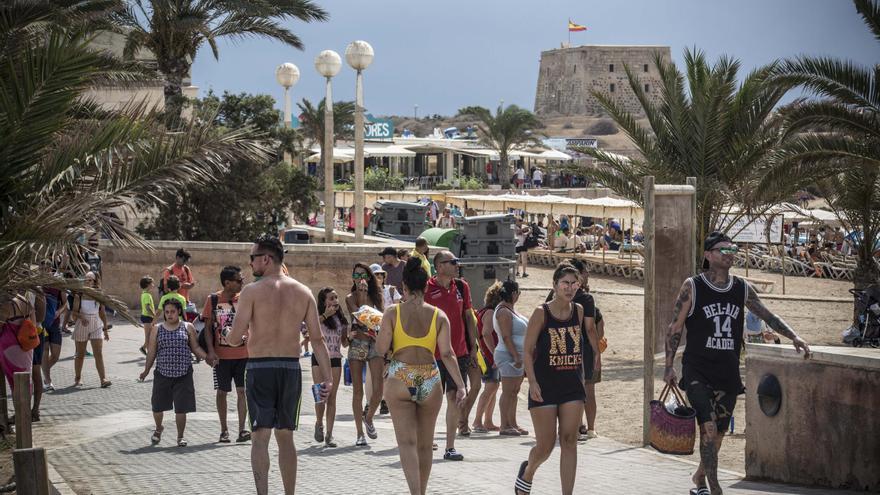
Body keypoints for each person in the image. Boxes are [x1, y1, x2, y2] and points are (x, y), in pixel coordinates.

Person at [664, 232, 811, 495]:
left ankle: (700, 477)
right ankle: (715, 487)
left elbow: (768, 314)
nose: (730, 252)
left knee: (719, 433)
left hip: (728, 371)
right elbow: (675, 328)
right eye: (723, 249)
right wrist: (668, 366)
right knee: (707, 428)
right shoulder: (693, 286)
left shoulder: (740, 288)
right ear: (708, 255)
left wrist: (794, 336)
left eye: (732, 248)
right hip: (697, 369)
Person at [226, 234, 333, 495]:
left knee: (260, 437)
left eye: (253, 258)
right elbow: (318, 341)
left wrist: (228, 336)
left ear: (266, 259)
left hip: (260, 368)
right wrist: (327, 378)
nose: (250, 264)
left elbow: (234, 337)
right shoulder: (303, 291)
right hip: (289, 368)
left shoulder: (250, 292)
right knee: (286, 437)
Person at [376, 257, 466, 495]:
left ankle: (414, 492)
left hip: (400, 376)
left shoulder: (392, 313)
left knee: (406, 443)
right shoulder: (439, 316)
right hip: (429, 377)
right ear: (427, 286)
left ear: (403, 287)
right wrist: (460, 385)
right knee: (426, 445)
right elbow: (447, 353)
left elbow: (380, 349)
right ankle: (422, 492)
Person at [515, 264, 586, 495]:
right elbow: (527, 350)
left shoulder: (579, 311)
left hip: (572, 386)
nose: (570, 287)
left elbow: (580, 349)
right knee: (545, 446)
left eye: (574, 283)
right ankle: (528, 471)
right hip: (544, 386)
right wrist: (532, 381)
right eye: (565, 283)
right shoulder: (541, 313)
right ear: (554, 285)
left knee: (569, 440)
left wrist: (582, 381)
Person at [424, 250, 479, 461]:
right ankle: (427, 439)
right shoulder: (427, 288)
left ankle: (450, 446)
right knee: (431, 400)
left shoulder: (462, 286)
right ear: (439, 266)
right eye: (452, 262)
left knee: (455, 398)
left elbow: (468, 317)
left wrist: (473, 347)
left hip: (459, 353)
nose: (457, 264)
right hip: (433, 354)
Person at [139, 298, 207, 447]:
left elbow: (195, 347)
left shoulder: (188, 327)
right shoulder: (157, 328)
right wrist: (146, 371)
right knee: (157, 407)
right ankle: (158, 428)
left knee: (181, 408)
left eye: (173, 312)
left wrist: (208, 358)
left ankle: (180, 437)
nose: (169, 315)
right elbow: (152, 352)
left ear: (179, 312)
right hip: (162, 373)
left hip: (184, 374)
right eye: (167, 312)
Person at [545, 258, 599, 441]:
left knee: (564, 388)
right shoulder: (585, 299)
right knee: (586, 390)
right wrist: (597, 351)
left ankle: (574, 427)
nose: (587, 275)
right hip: (580, 348)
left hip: (557, 348)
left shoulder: (554, 295)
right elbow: (590, 328)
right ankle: (587, 428)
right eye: (585, 272)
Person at [202, 266, 251, 444]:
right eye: (238, 280)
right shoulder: (213, 300)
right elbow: (207, 328)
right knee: (222, 392)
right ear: (227, 283)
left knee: (242, 391)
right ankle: (224, 431)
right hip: (221, 357)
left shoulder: (245, 299)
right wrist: (211, 351)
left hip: (244, 355)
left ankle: (242, 429)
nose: (242, 283)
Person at [345, 262, 385, 446]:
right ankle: (360, 433)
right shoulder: (350, 297)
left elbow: (380, 320)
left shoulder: (377, 296)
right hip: (358, 343)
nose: (359, 279)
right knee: (358, 391)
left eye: (363, 275)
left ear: (369, 277)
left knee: (379, 388)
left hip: (374, 343)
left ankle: (368, 417)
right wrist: (361, 295)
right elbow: (361, 316)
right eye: (356, 276)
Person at [313, 287, 349, 448]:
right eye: (331, 298)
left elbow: (344, 343)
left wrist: (351, 337)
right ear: (323, 302)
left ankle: (329, 434)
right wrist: (325, 316)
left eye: (336, 297)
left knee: (332, 397)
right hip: (318, 359)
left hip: (335, 358)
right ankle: (319, 423)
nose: (335, 301)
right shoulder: (317, 317)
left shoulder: (341, 319)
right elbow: (308, 328)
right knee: (320, 395)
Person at [494, 279, 530, 436]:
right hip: (508, 354)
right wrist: (516, 355)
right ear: (514, 293)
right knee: (508, 391)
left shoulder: (510, 309)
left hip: (517, 355)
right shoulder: (503, 311)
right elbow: (506, 336)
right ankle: (504, 424)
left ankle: (512, 422)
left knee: (514, 390)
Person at [70, 272, 111, 388]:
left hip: (96, 323)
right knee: (80, 354)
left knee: (98, 353)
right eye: (86, 280)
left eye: (90, 280)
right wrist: (81, 317)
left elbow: (102, 312)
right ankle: (77, 378)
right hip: (82, 323)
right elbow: (73, 313)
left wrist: (105, 329)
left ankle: (103, 379)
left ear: (95, 282)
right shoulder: (79, 295)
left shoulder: (99, 294)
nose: (87, 282)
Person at [472, 282, 503, 433]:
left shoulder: (484, 310)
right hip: (489, 355)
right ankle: (478, 421)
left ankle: (488, 420)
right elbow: (486, 333)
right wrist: (495, 353)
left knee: (494, 387)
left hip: (486, 354)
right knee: (490, 386)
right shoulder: (490, 313)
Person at [40, 261, 66, 393]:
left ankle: (42, 372)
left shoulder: (57, 283)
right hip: (42, 324)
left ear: (51, 269)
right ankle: (47, 380)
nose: (45, 270)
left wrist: (58, 312)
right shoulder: (36, 284)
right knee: (44, 352)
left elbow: (65, 303)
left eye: (47, 268)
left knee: (55, 355)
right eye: (42, 268)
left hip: (55, 323)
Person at [139, 276, 156, 355]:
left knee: (150, 336)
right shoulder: (146, 295)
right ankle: (149, 352)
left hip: (147, 317)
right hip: (147, 317)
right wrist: (154, 314)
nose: (153, 285)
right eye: (152, 283)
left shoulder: (145, 294)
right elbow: (147, 307)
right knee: (148, 336)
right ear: (147, 284)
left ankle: (144, 348)